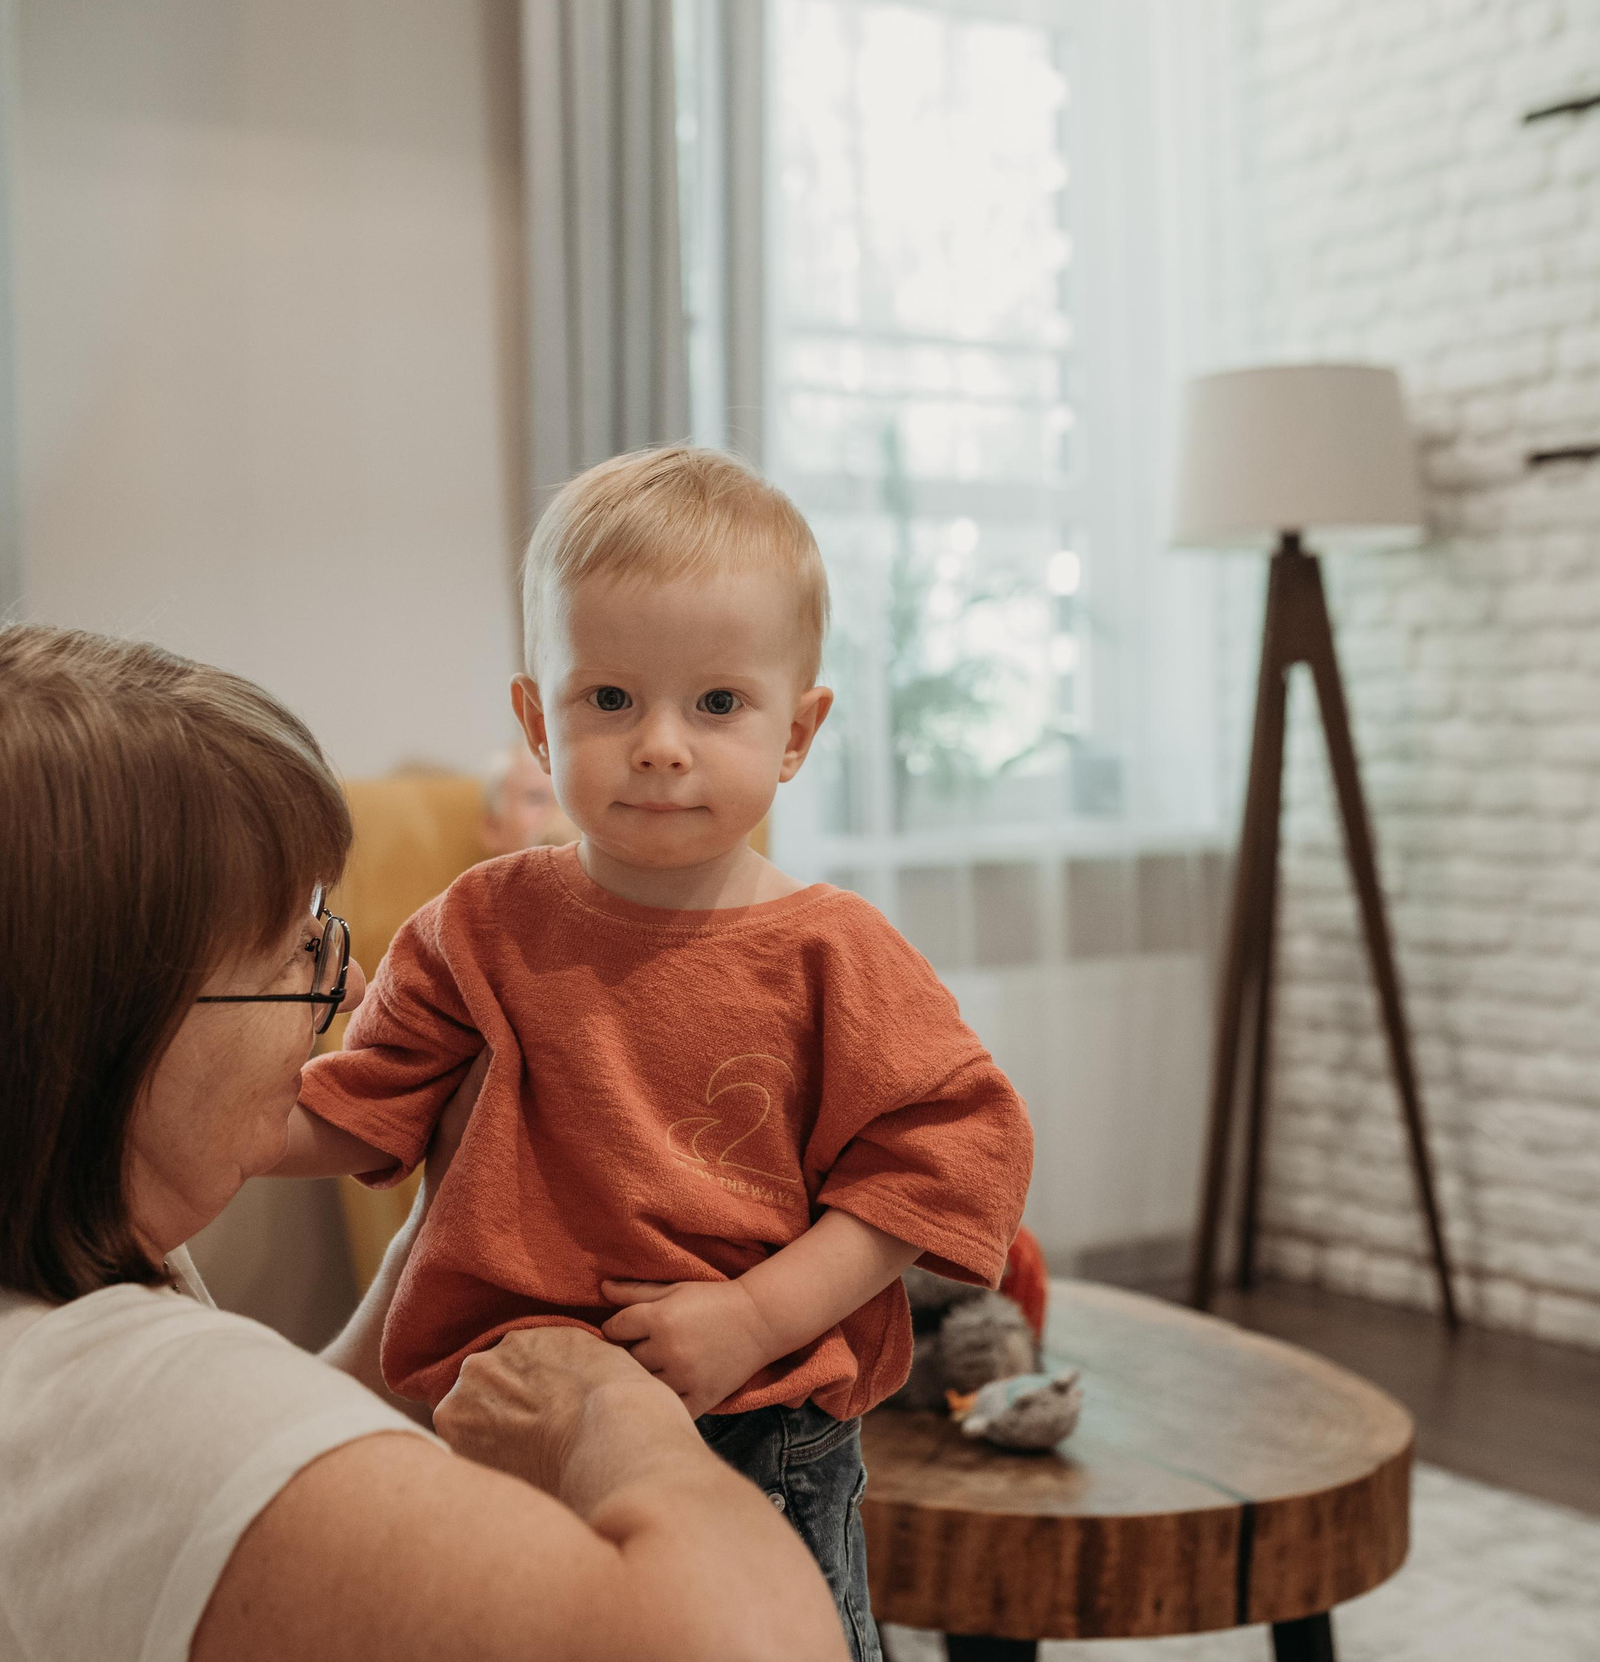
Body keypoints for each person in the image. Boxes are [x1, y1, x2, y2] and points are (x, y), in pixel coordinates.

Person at [0, 625, 846, 1662]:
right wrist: (605, 1420)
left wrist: (440, 1223)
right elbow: (752, 1642)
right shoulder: (97, 1408)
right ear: (105, 1035)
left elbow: (256, 1467)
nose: (347, 981)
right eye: (298, 954)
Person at [272, 446, 1037, 1659]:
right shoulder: (477, 924)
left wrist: (751, 1313)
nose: (662, 746)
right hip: (501, 1415)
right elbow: (356, 1109)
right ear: (537, 717)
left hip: (756, 1416)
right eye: (611, 699)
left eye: (718, 704)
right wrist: (179, 1106)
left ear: (797, 729)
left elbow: (948, 1161)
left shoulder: (835, 949)